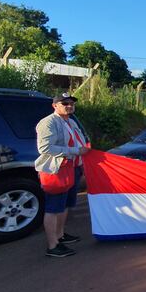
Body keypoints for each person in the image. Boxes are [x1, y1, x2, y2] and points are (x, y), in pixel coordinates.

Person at [36, 92, 90, 257]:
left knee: (65, 205)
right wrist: (75, 151)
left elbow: (80, 141)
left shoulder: (71, 121)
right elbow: (45, 148)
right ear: (55, 105)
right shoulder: (48, 123)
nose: (69, 106)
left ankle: (60, 235)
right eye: (64, 103)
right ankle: (53, 246)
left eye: (71, 103)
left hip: (72, 168)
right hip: (57, 170)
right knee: (53, 207)